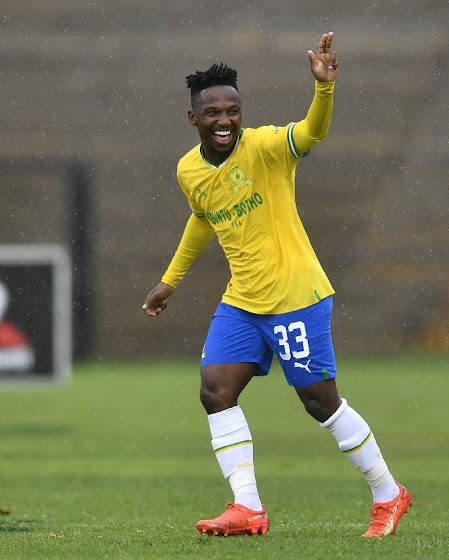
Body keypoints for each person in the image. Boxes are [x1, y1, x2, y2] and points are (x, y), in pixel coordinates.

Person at [143, 32, 411, 538]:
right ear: (193, 119)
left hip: (295, 298)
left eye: (232, 111)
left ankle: (388, 492)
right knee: (215, 390)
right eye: (213, 113)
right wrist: (169, 281)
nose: (224, 120)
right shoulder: (189, 169)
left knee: (320, 403)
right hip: (243, 301)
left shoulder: (265, 147)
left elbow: (310, 134)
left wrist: (323, 89)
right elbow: (203, 218)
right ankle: (247, 507)